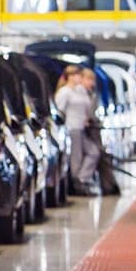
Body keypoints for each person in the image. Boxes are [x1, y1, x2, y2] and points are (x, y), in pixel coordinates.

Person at [54, 66, 99, 195]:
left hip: (82, 127)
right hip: (71, 128)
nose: (79, 77)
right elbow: (59, 111)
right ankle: (77, 184)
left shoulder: (80, 91)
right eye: (76, 75)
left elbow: (88, 107)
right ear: (70, 77)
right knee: (76, 158)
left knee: (93, 152)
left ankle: (82, 178)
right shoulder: (64, 92)